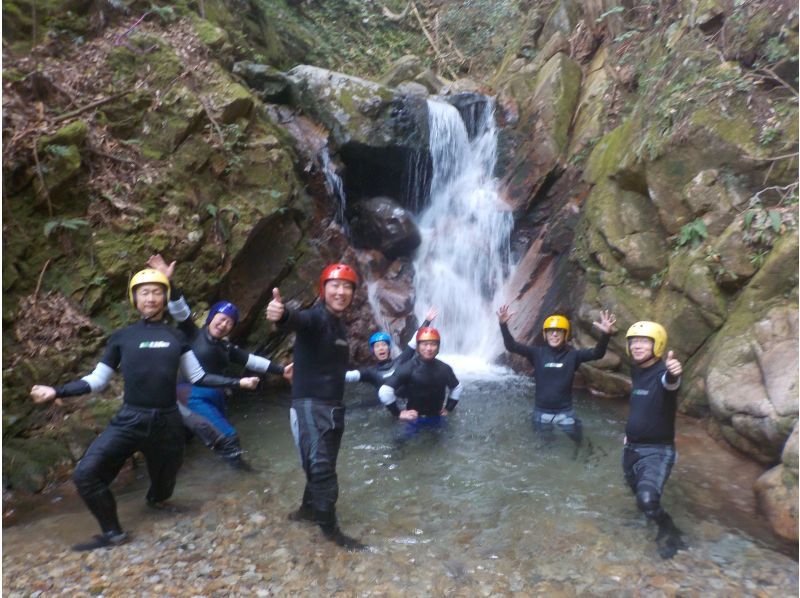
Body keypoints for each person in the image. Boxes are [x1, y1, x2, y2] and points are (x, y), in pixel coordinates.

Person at [29, 269, 260, 551]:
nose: (150, 298)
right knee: (85, 475)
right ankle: (113, 533)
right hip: (130, 418)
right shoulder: (121, 338)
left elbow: (199, 377)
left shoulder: (177, 337)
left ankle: (158, 505)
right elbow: (98, 380)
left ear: (164, 298)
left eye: (156, 292)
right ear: (135, 299)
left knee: (163, 488)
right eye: (144, 292)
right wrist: (57, 390)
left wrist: (239, 382)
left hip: (167, 423)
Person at [146, 255, 293, 470]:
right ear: (211, 318)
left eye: (229, 323)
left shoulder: (227, 349)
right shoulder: (191, 333)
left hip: (213, 397)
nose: (224, 324)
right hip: (191, 394)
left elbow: (254, 361)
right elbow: (180, 309)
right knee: (229, 438)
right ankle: (246, 477)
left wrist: (282, 370)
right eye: (221, 318)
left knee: (190, 442)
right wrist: (169, 282)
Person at [265, 263, 366, 550]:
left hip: (333, 407)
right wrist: (281, 314)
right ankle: (330, 531)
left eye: (347, 286)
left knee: (321, 464)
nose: (341, 291)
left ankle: (307, 511)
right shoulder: (316, 317)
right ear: (323, 290)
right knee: (322, 470)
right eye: (335, 285)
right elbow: (297, 320)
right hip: (310, 405)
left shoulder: (339, 326)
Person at [497, 307, 616, 448]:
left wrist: (605, 335)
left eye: (558, 331)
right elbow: (512, 346)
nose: (554, 334)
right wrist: (503, 325)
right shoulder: (536, 353)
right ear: (545, 335)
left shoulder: (573, 356)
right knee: (545, 447)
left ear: (565, 335)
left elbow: (598, 353)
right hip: (541, 412)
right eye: (550, 332)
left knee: (579, 444)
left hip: (565, 412)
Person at [623, 321, 687, 559]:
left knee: (648, 499)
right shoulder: (637, 370)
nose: (637, 346)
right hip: (631, 448)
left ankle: (671, 531)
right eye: (633, 341)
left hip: (657, 451)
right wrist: (630, 431)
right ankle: (648, 520)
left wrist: (673, 372)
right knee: (638, 497)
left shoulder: (663, 373)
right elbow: (641, 405)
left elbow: (670, 383)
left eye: (644, 341)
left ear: (657, 344)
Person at [377, 327, 462, 439]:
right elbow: (385, 391)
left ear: (438, 347)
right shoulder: (408, 368)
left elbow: (456, 387)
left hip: (437, 417)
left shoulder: (445, 368)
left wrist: (448, 408)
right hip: (413, 419)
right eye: (425, 344)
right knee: (402, 448)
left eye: (433, 344)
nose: (429, 348)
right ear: (417, 346)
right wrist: (398, 413)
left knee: (441, 446)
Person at [344, 308, 438, 402]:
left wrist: (427, 321)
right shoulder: (370, 373)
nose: (381, 348)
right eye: (377, 346)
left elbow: (415, 340)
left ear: (389, 348)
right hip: (390, 408)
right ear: (373, 351)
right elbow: (348, 376)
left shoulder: (401, 360)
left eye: (384, 345)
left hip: (409, 405)